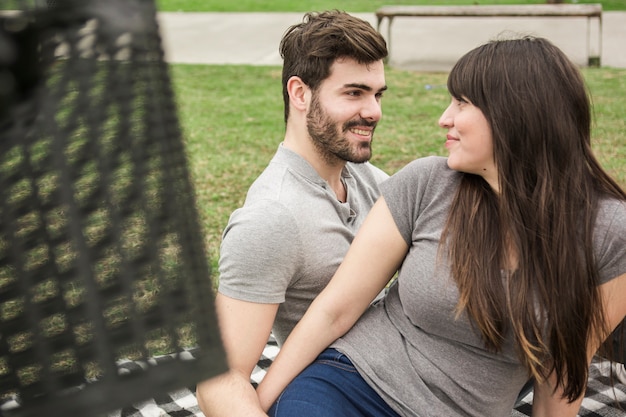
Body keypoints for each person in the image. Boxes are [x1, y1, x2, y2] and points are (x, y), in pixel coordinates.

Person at [256, 35, 626, 417]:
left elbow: (563, 373)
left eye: (462, 103)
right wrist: (258, 405)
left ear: (517, 113)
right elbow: (334, 311)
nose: (444, 118)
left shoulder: (610, 233)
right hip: (350, 383)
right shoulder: (427, 183)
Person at [195, 10, 389, 417]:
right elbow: (221, 378)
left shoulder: (370, 181)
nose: (373, 111)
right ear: (300, 94)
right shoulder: (272, 218)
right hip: (338, 393)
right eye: (354, 93)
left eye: (377, 94)